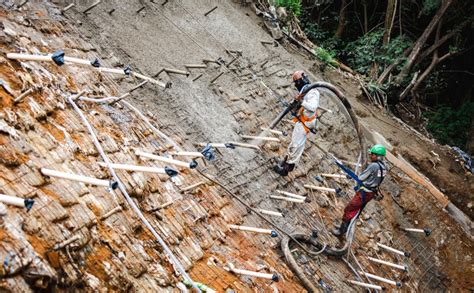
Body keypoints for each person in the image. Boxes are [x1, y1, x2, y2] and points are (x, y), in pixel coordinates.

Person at [332, 144, 387, 236]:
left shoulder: (374, 166)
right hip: (371, 192)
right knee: (355, 209)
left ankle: (342, 230)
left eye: (372, 154)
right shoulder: (384, 167)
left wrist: (353, 175)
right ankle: (344, 227)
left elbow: (361, 178)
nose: (370, 156)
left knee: (349, 208)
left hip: (365, 192)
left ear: (378, 156)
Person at [274, 71, 320, 176]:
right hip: (304, 120)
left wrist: (301, 102)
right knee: (296, 144)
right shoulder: (306, 91)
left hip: (305, 122)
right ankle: (285, 163)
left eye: (297, 83)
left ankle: (285, 169)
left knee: (295, 145)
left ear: (300, 81)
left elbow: (312, 107)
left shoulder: (313, 92)